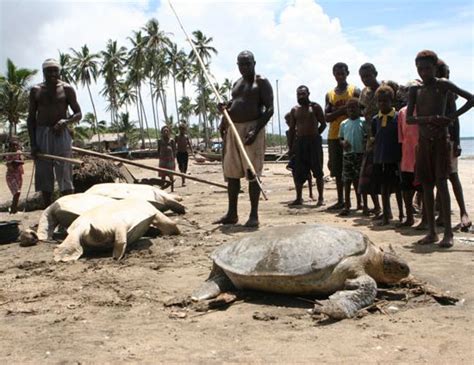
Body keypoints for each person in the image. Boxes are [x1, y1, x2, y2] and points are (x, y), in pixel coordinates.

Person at [407, 50, 473, 247]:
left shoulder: (443, 85)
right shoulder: (415, 90)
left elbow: (470, 98)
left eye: (427, 68)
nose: (424, 72)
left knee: (442, 184)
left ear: (435, 67)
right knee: (427, 185)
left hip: (441, 141)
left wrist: (450, 118)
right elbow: (410, 119)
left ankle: (448, 235)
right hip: (424, 142)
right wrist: (430, 119)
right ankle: (432, 232)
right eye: (420, 69)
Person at [215, 50, 274, 228]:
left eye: (247, 63)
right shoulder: (236, 84)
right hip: (233, 129)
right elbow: (234, 104)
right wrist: (224, 113)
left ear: (254, 63)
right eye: (241, 64)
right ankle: (232, 213)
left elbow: (270, 109)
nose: (244, 67)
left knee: (252, 172)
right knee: (232, 172)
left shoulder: (261, 82)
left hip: (252, 129)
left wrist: (255, 130)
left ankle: (254, 215)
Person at [27, 59, 82, 208]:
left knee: (65, 171)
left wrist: (65, 121)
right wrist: (33, 144)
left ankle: (68, 210)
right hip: (42, 134)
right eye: (48, 71)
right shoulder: (36, 90)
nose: (52, 74)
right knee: (44, 174)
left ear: (59, 71)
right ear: (43, 72)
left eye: (55, 70)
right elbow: (31, 119)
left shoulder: (67, 89)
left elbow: (78, 113)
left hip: (61, 134)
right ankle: (47, 210)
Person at [434, 60, 471, 232]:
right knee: (439, 177)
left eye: (448, 74)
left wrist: (457, 142)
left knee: (452, 176)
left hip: (448, 139)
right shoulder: (430, 90)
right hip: (434, 140)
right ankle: (442, 213)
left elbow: (454, 121)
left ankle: (464, 212)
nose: (447, 76)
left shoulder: (448, 92)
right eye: (445, 73)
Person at [325, 62, 360, 210]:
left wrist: (336, 111)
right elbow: (327, 117)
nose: (339, 76)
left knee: (355, 169)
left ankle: (359, 201)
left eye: (342, 73)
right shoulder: (330, 94)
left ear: (347, 73)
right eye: (337, 73)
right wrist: (345, 109)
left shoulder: (354, 90)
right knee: (337, 170)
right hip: (334, 136)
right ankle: (341, 200)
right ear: (333, 74)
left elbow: (360, 111)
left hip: (352, 135)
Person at [287, 86, 326, 206]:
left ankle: (320, 198)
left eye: (303, 94)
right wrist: (291, 146)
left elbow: (323, 124)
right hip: (300, 143)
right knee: (298, 171)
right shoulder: (294, 110)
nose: (300, 96)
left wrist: (315, 135)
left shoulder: (315, 107)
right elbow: (292, 129)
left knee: (318, 171)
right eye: (298, 94)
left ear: (308, 93)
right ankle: (299, 198)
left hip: (314, 142)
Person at [371, 85, 401, 225]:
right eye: (380, 101)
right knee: (383, 187)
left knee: (398, 187)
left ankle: (401, 214)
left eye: (385, 101)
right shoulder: (375, 119)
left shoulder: (398, 117)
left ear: (391, 101)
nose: (382, 104)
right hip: (380, 157)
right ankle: (386, 215)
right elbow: (373, 137)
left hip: (395, 157)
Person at [358, 63, 382, 216]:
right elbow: (361, 112)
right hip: (369, 139)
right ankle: (377, 207)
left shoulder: (386, 89)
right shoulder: (364, 93)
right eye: (363, 77)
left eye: (368, 76)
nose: (366, 79)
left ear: (376, 73)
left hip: (385, 137)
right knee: (369, 173)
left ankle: (391, 210)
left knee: (386, 174)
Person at [397, 82, 422, 228]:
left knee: (424, 189)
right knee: (406, 189)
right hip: (407, 157)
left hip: (422, 156)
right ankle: (409, 217)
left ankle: (425, 218)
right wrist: (401, 158)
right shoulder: (402, 112)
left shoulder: (425, 109)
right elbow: (401, 137)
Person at [338, 98, 365, 216]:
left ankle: (361, 203)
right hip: (347, 155)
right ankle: (347, 205)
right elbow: (340, 138)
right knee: (347, 180)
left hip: (360, 154)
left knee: (359, 180)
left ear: (359, 109)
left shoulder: (363, 121)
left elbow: (367, 136)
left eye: (354, 108)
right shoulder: (343, 123)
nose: (351, 110)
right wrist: (343, 143)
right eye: (349, 108)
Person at [284, 112, 314, 202]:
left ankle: (307, 194)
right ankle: (300, 195)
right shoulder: (290, 132)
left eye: (288, 121)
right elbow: (290, 144)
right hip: (295, 155)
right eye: (286, 121)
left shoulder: (298, 131)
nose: (287, 122)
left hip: (301, 154)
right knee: (297, 175)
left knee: (305, 175)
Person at [5, 137, 24, 214]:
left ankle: (14, 209)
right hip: (11, 176)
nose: (15, 147)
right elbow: (10, 165)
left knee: (18, 193)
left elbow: (22, 161)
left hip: (19, 175)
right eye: (13, 145)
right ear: (10, 146)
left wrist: (16, 161)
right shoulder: (8, 154)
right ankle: (13, 208)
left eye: (16, 145)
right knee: (17, 192)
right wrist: (15, 162)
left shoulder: (19, 152)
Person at [158, 125, 176, 192]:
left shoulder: (171, 141)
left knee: (170, 175)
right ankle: (162, 188)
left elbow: (174, 150)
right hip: (162, 159)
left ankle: (172, 188)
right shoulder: (160, 141)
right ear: (162, 132)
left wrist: (173, 158)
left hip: (170, 160)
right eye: (164, 131)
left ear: (169, 132)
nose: (165, 132)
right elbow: (158, 149)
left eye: (167, 131)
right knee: (163, 175)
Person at [176, 123, 194, 187]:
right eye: (181, 129)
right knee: (181, 167)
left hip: (185, 153)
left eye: (183, 129)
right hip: (179, 153)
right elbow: (173, 144)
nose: (182, 131)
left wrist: (192, 152)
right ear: (179, 129)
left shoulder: (186, 137)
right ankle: (183, 179)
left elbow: (189, 144)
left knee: (185, 167)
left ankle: (183, 180)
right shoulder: (177, 136)